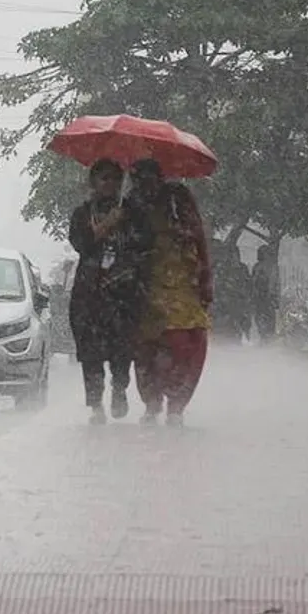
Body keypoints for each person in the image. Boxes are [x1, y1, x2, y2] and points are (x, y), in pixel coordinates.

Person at [129, 159, 213, 426]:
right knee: (145, 351)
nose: (146, 185)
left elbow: (198, 238)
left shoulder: (178, 198)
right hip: (146, 288)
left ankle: (176, 405)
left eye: (150, 178)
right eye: (140, 179)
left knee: (186, 346)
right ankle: (152, 402)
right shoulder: (132, 204)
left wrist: (204, 280)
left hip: (182, 287)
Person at [67, 158, 148, 423]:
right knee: (90, 353)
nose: (110, 184)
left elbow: (145, 244)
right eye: (104, 178)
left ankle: (119, 388)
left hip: (123, 295)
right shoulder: (82, 214)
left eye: (115, 179)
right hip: (90, 294)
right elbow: (82, 245)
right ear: (93, 183)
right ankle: (95, 405)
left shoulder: (132, 212)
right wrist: (105, 226)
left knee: (122, 349)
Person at [251, 244, 280, 342]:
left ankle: (267, 338)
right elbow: (253, 282)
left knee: (268, 319)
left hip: (267, 298)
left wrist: (273, 296)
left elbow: (275, 283)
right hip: (261, 298)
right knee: (261, 318)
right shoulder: (258, 266)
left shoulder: (272, 267)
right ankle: (264, 337)